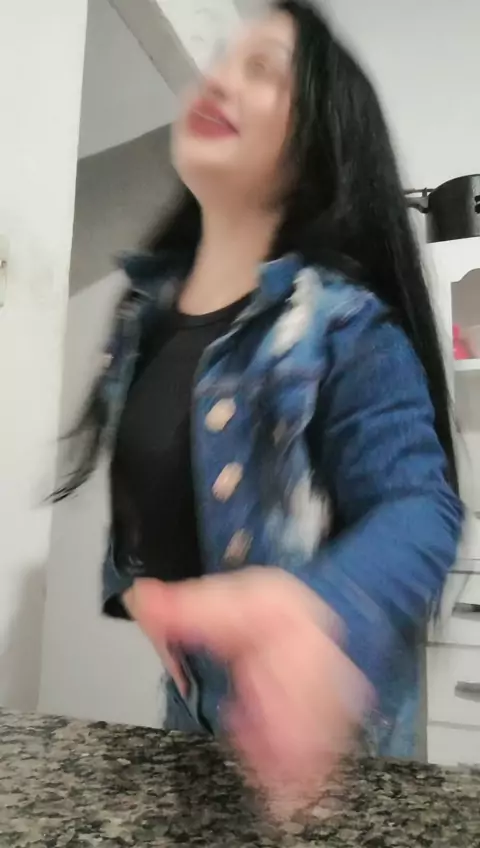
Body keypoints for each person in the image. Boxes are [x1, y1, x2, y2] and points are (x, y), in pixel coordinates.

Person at [57, 0, 462, 813]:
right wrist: (147, 597)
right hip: (194, 731)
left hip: (331, 766)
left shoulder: (342, 324)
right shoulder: (143, 314)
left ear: (316, 139)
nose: (220, 80)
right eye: (222, 61)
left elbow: (421, 506)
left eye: (263, 70)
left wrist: (315, 612)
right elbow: (152, 521)